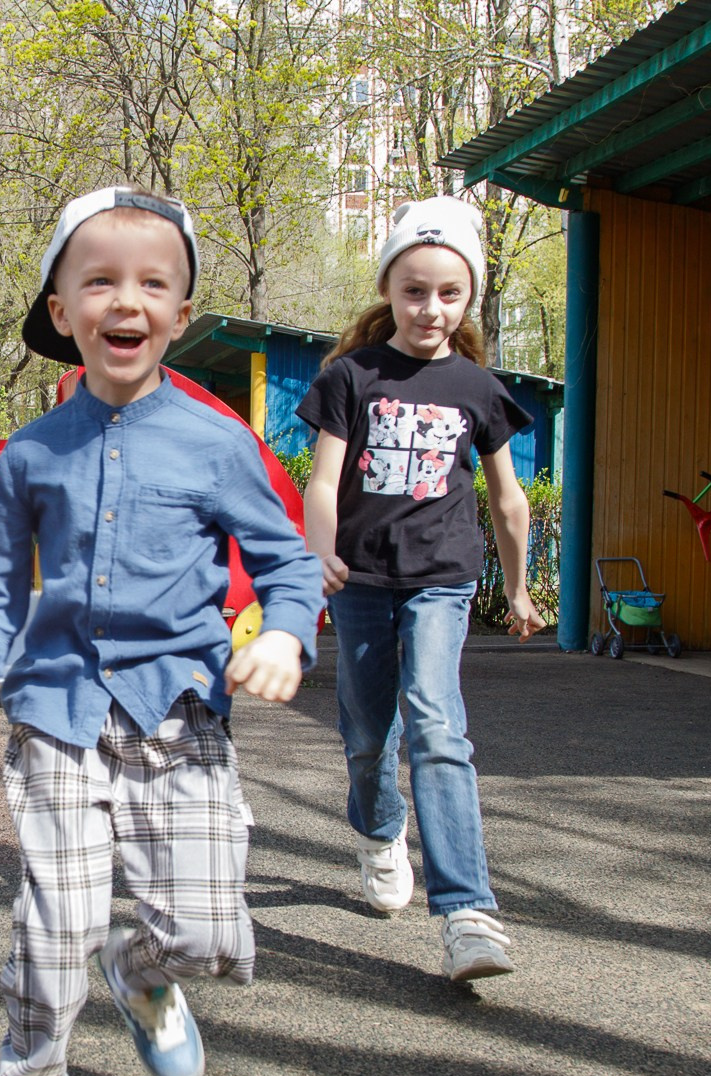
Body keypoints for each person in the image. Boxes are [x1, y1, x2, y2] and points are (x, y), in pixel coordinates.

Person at [0, 187, 323, 1076]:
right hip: (57, 710)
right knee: (53, 920)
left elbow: (287, 563)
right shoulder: (30, 453)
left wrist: (284, 632)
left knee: (206, 932)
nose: (126, 300)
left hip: (178, 713)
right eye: (98, 280)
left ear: (180, 318)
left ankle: (141, 970)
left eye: (152, 284)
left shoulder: (216, 444)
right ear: (60, 311)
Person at [296, 195, 542, 984]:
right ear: (388, 291)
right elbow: (323, 481)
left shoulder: (478, 387)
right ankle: (379, 831)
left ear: (467, 297)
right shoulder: (351, 377)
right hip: (363, 579)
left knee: (437, 723)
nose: (430, 308)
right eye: (413, 290)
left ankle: (468, 911)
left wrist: (522, 587)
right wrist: (318, 555)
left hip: (443, 579)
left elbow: (508, 499)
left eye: (448, 293)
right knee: (369, 736)